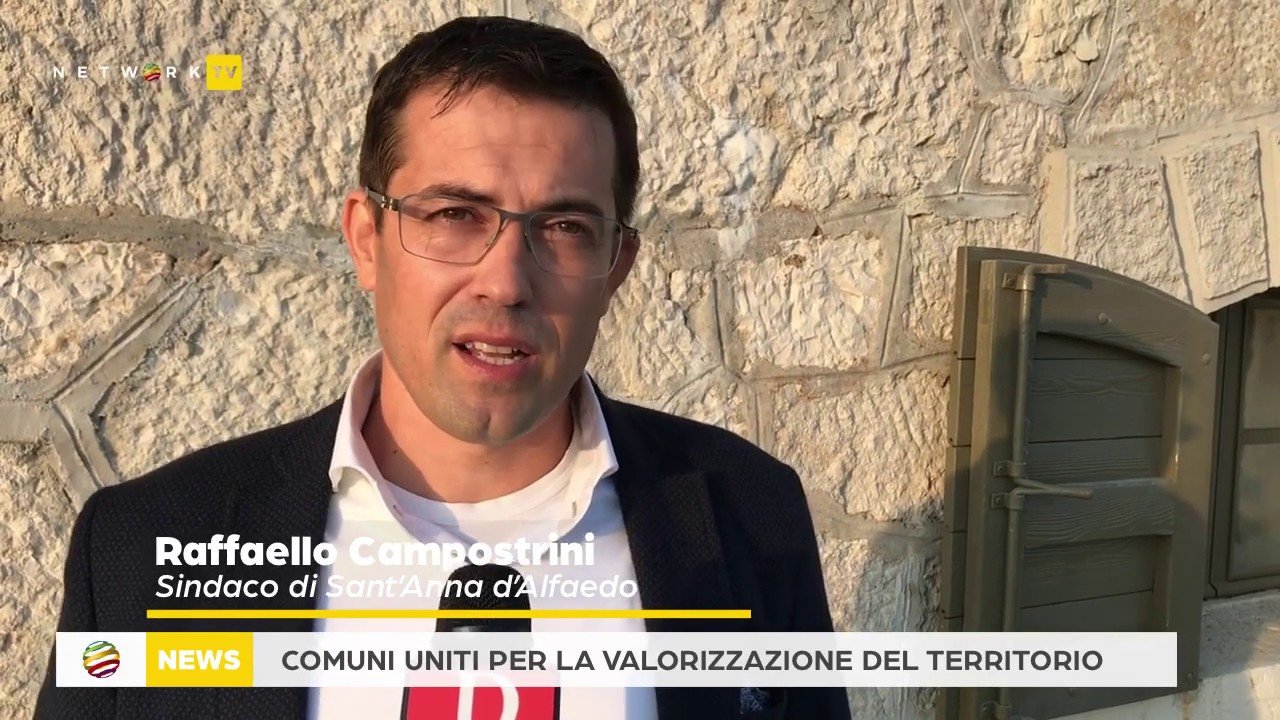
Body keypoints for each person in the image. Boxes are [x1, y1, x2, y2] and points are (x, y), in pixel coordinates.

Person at [35, 16, 849, 720]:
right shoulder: (145, 547)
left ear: (616, 267)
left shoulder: (751, 515)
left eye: (564, 227)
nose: (505, 280)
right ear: (366, 239)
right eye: (455, 214)